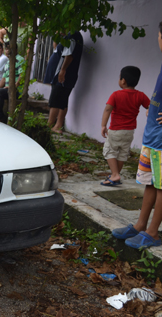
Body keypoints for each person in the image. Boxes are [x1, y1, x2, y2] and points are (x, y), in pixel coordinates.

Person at [111, 22, 162, 249]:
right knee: (150, 182)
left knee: (161, 186)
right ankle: (141, 225)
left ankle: (153, 233)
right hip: (153, 137)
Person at [100, 66, 150, 186]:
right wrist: (149, 111)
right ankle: (115, 175)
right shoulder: (141, 95)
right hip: (129, 131)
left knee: (109, 151)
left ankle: (115, 174)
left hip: (116, 130)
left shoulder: (116, 95)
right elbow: (150, 106)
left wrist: (103, 125)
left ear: (123, 81)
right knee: (122, 153)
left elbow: (107, 109)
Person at [47, 31, 84, 133]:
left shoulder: (73, 36)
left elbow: (69, 54)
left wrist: (63, 70)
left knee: (56, 99)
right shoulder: (68, 36)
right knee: (62, 100)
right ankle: (58, 125)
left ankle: (50, 125)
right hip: (65, 74)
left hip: (64, 74)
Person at [0, 41, 25, 122]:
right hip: (7, 89)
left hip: (16, 90)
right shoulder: (8, 61)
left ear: (16, 49)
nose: (7, 51)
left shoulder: (19, 59)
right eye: (6, 49)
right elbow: (3, 79)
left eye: (9, 49)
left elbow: (22, 75)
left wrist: (14, 86)